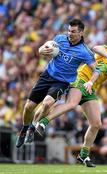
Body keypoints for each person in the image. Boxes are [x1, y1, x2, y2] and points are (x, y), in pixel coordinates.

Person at [25, 41, 107, 167]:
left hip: (90, 89)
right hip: (80, 79)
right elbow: (95, 47)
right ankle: (43, 122)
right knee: (71, 103)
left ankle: (83, 155)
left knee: (96, 124)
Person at [16, 18, 100, 148]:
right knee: (28, 107)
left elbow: (97, 70)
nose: (70, 34)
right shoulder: (59, 39)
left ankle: (32, 127)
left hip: (62, 82)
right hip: (47, 76)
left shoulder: (84, 51)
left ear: (81, 32)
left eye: (73, 31)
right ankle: (24, 129)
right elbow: (43, 49)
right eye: (69, 31)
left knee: (47, 103)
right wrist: (41, 50)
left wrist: (90, 82)